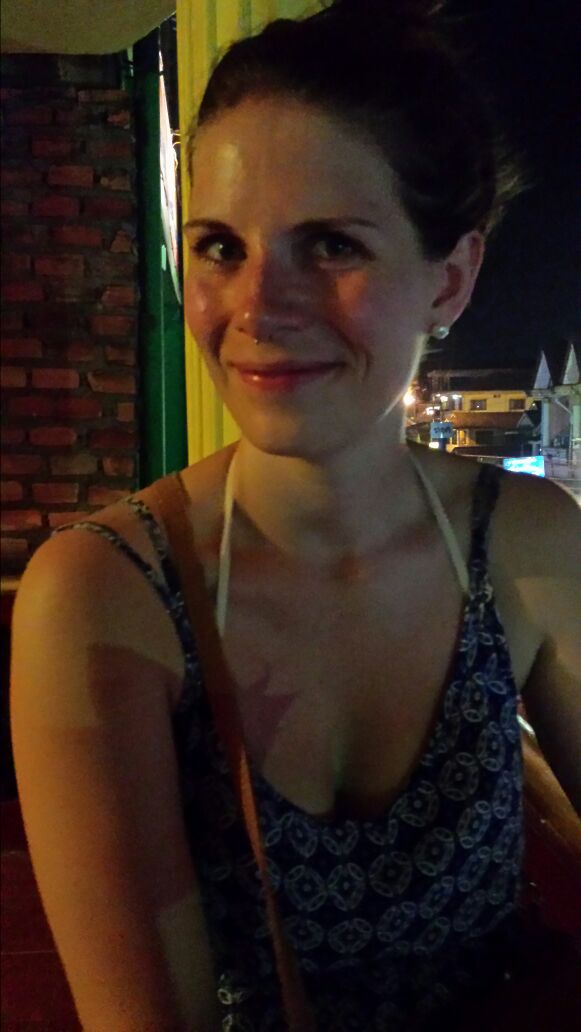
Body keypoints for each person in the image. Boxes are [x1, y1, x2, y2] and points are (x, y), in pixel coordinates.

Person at [10, 1, 581, 1030]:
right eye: (219, 246)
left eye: (328, 244)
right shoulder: (105, 593)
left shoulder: (525, 539)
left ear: (449, 279)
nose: (257, 307)